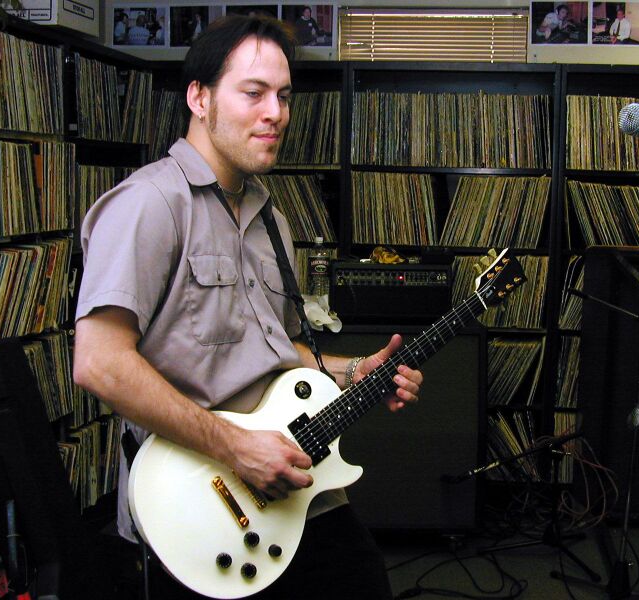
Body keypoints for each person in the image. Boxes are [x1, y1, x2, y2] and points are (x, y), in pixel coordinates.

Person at [73, 14, 423, 600]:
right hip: (200, 506)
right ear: (200, 98)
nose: (275, 113)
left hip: (294, 484)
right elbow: (99, 363)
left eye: (283, 96)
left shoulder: (272, 220)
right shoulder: (148, 204)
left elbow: (276, 353)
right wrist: (236, 447)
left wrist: (351, 372)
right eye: (253, 93)